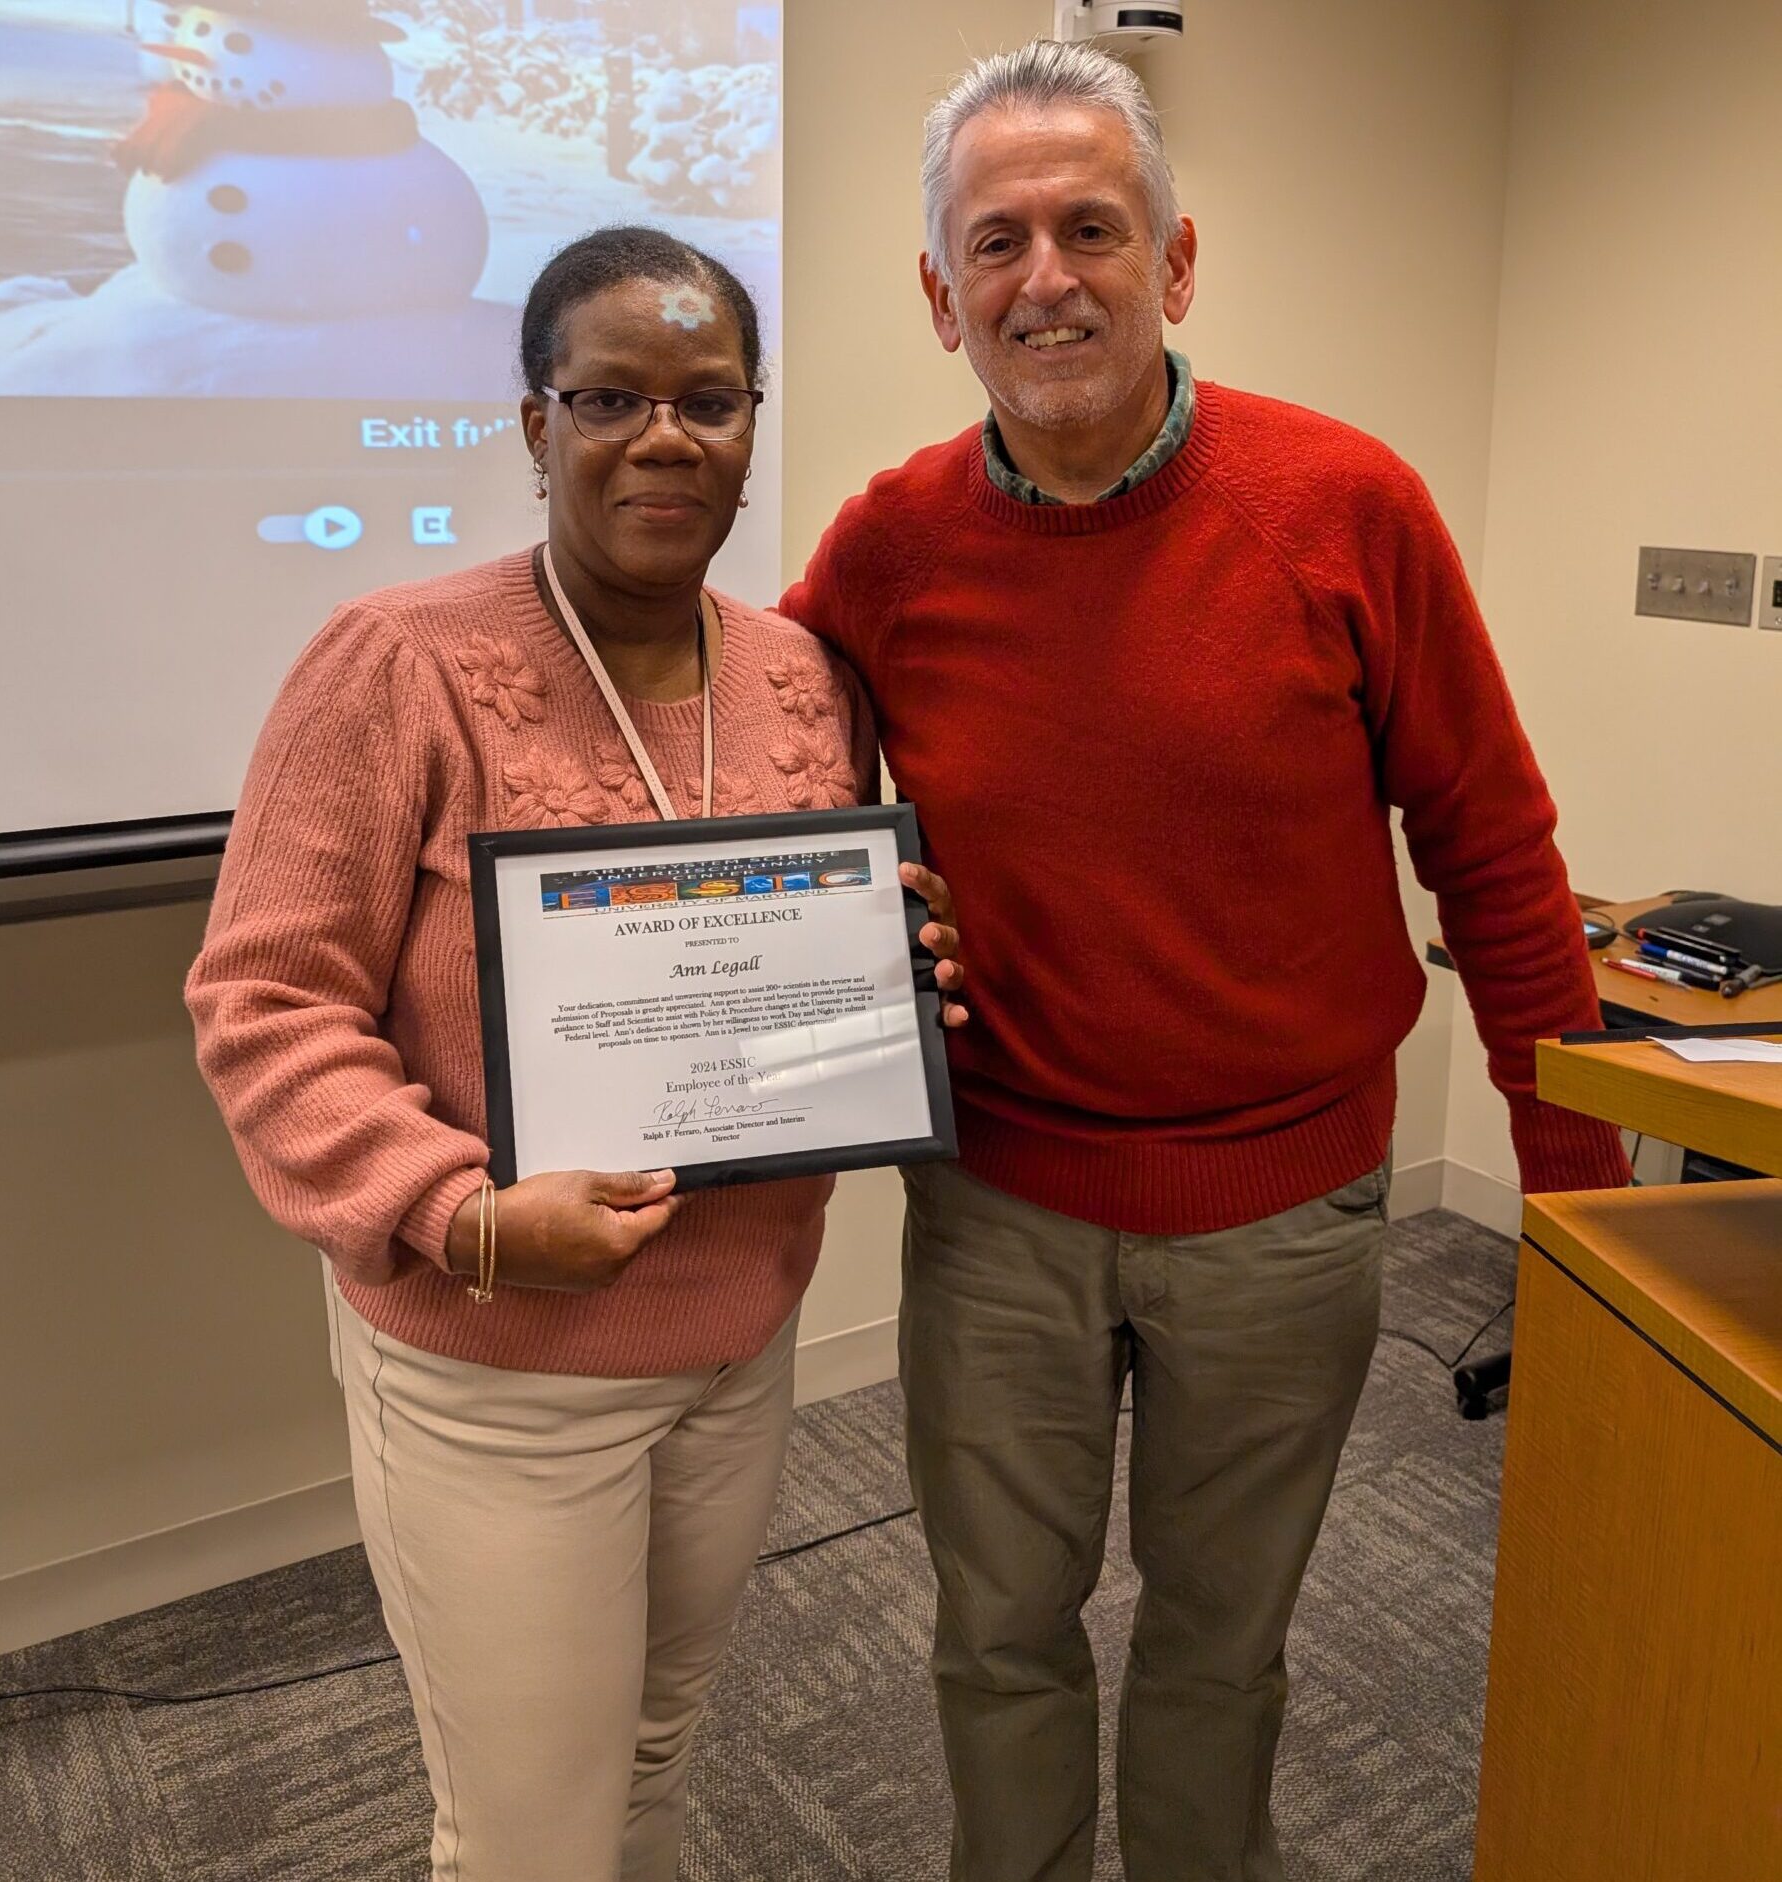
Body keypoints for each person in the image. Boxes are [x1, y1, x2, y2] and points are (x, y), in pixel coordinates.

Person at [778, 40, 1632, 1882]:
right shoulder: (886, 547)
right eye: (995, 242)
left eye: (1095, 226)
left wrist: (1575, 1196)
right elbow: (762, 806)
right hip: (1000, 1203)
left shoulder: (1347, 508)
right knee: (996, 1637)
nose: (1047, 277)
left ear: (1176, 265)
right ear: (941, 298)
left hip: (1284, 1205)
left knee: (1215, 1646)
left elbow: (1493, 850)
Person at [185, 224, 965, 1882]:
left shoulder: (806, 676)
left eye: (708, 398)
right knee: (532, 1832)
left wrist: (891, 974)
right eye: (610, 396)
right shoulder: (395, 663)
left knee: (659, 1754)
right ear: (535, 424)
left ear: (755, 426)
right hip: (498, 1364)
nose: (663, 437)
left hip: (741, 1335)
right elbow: (265, 1003)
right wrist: (462, 1210)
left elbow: (794, 960)